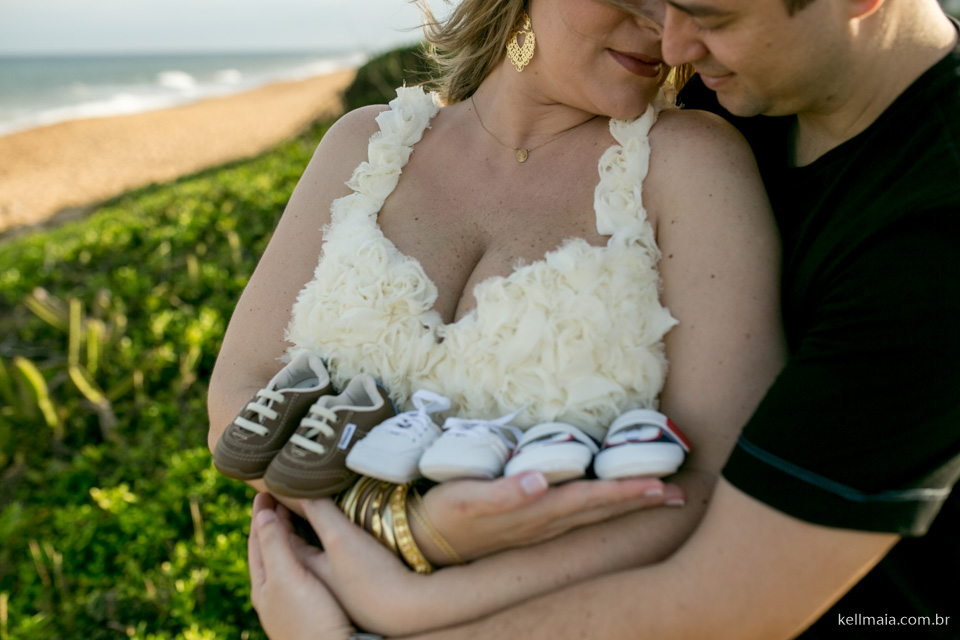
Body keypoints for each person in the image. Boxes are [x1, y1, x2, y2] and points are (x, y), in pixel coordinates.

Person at [244, 0, 960, 638]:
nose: (674, 47)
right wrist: (396, 530)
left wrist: (390, 604)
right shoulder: (744, 100)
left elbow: (729, 591)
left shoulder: (927, 221)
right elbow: (244, 407)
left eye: (708, 15)